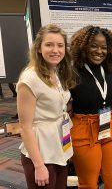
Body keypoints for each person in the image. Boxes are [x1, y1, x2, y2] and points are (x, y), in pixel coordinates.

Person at [16, 24, 75, 189]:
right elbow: (25, 127)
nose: (55, 50)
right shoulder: (30, 79)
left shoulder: (55, 71)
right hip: (41, 152)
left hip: (58, 146)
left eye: (60, 45)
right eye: (49, 45)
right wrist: (39, 166)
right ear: (39, 48)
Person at [69, 25, 112, 189]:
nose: (99, 51)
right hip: (84, 130)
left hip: (110, 127)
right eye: (93, 45)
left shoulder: (109, 70)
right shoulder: (72, 71)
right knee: (88, 184)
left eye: (104, 47)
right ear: (83, 46)